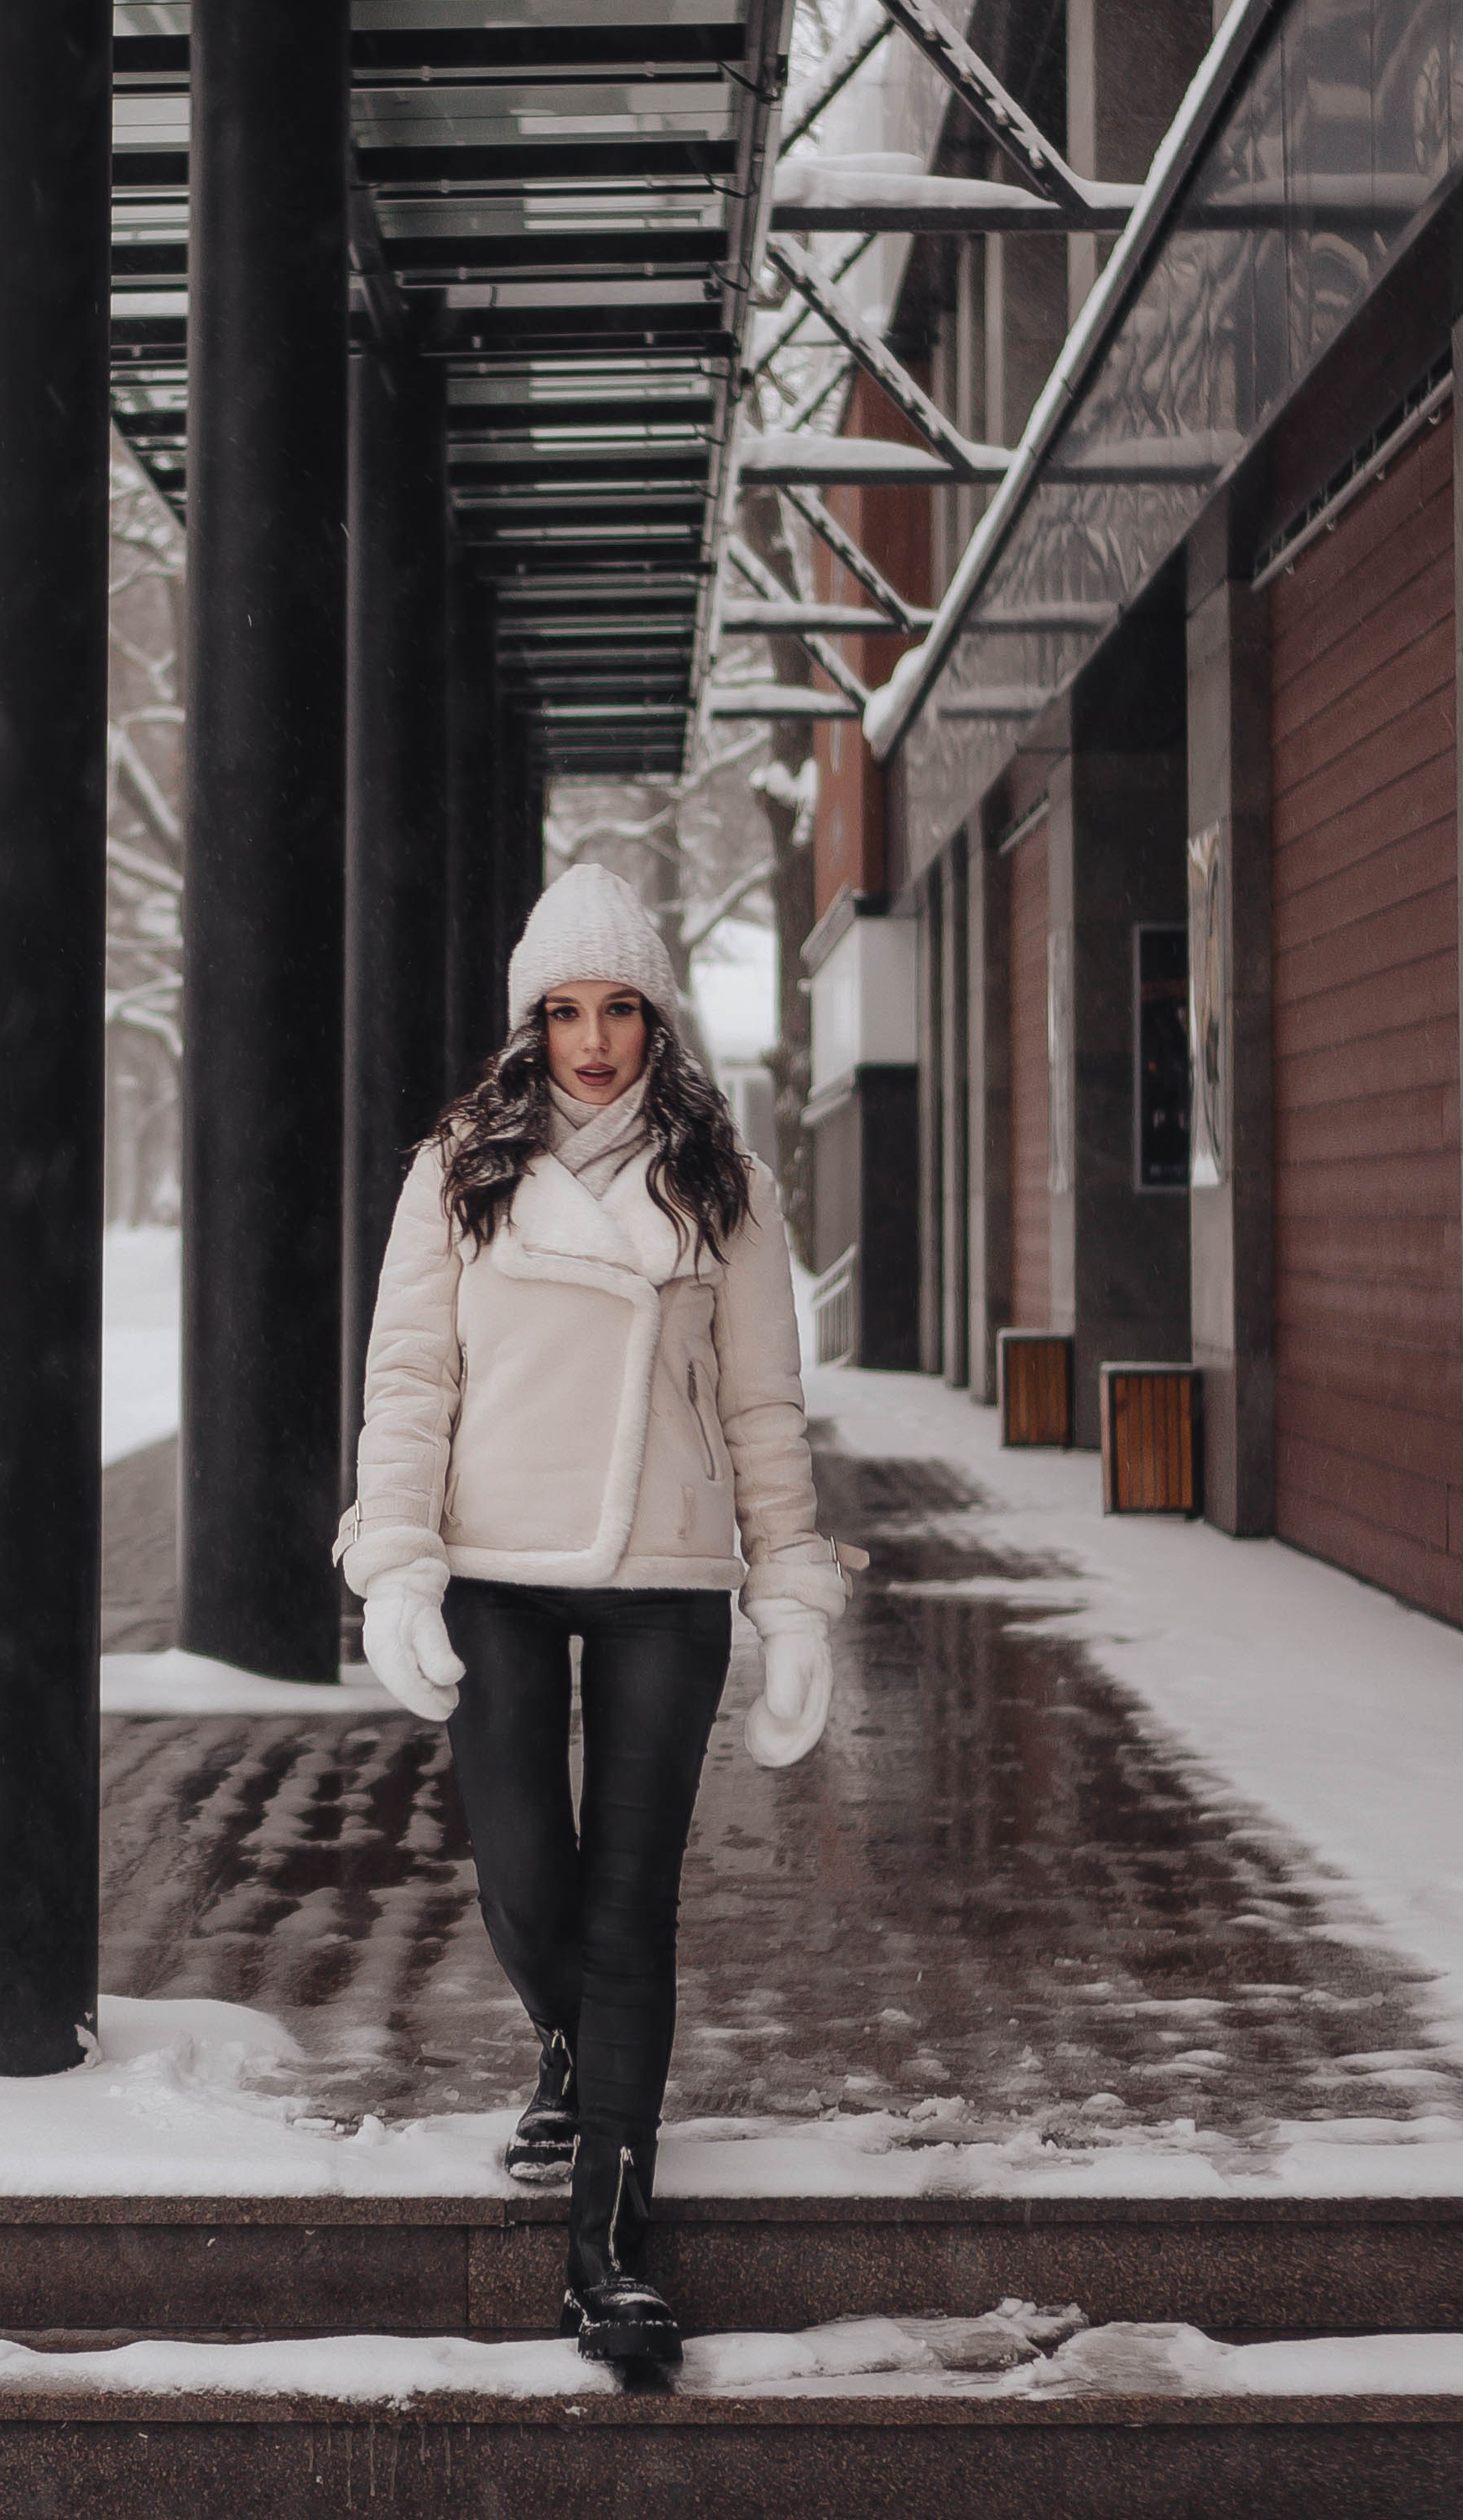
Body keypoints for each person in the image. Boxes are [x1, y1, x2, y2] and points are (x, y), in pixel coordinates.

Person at [335, 861, 863, 2372]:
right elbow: (409, 1384)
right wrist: (398, 1562)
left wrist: (796, 1599)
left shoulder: (726, 1186)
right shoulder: (455, 1173)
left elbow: (764, 1406)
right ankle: (565, 2045)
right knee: (523, 1870)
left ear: (655, 1019)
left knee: (633, 1911)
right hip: (496, 1561)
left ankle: (609, 2254)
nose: (590, 1041)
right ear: (529, 1022)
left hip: (667, 1575)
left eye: (616, 1008)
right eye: (563, 1011)